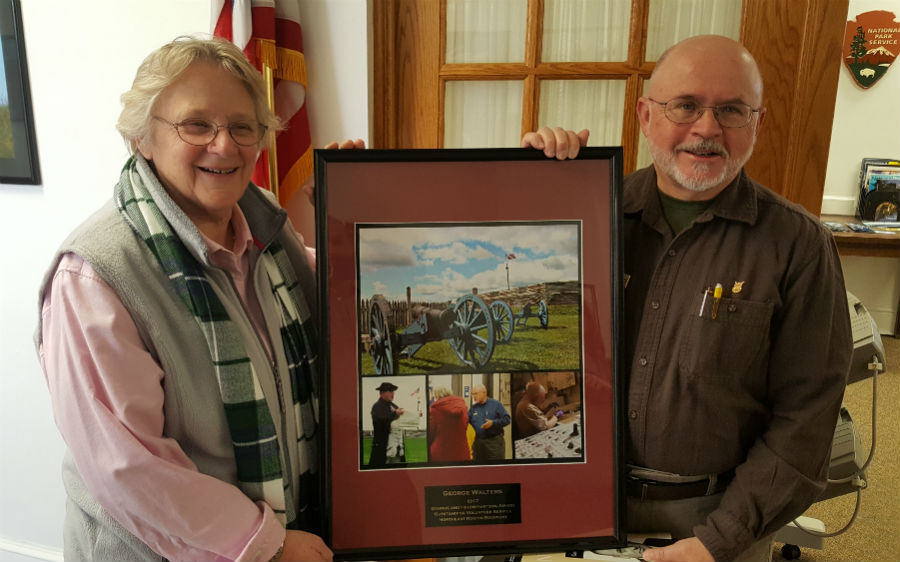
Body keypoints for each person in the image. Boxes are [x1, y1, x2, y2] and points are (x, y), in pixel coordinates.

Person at [523, 35, 851, 562]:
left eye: (731, 110)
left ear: (757, 124)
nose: (707, 128)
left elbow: (807, 417)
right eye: (686, 105)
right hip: (576, 506)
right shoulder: (584, 217)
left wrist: (718, 541)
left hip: (718, 521)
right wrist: (531, 186)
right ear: (646, 114)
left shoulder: (800, 247)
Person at [34, 36, 332, 562]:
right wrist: (268, 547)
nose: (224, 145)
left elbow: (349, 293)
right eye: (196, 124)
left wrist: (363, 205)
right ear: (142, 138)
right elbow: (129, 469)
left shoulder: (263, 224)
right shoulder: (95, 277)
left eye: (243, 127)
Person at [467, 383, 511, 461]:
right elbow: (466, 421)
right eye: (472, 394)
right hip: (478, 443)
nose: (474, 396)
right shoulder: (473, 408)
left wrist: (493, 423)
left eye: (476, 393)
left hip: (494, 443)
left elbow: (507, 419)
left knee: (495, 468)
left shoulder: (496, 404)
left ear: (484, 392)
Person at [427, 387, 471, 462]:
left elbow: (430, 433)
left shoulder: (435, 409)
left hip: (440, 453)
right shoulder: (463, 406)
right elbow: (465, 425)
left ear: (437, 395)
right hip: (461, 451)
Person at [369, 381, 405, 467]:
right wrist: (395, 413)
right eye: (390, 391)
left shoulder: (393, 405)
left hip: (397, 445)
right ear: (382, 393)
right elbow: (382, 420)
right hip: (384, 446)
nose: (393, 394)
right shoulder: (377, 406)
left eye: (393, 391)